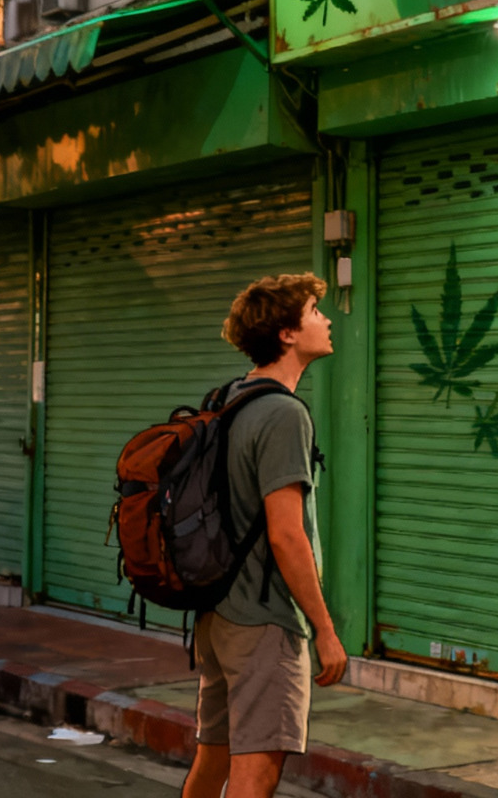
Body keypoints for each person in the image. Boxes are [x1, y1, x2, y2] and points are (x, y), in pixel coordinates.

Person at [182, 272, 348, 798]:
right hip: (263, 618)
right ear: (287, 334)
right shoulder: (282, 414)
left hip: (217, 612)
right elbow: (286, 536)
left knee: (214, 759)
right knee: (256, 771)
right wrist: (324, 628)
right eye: (314, 312)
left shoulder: (229, 397)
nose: (325, 320)